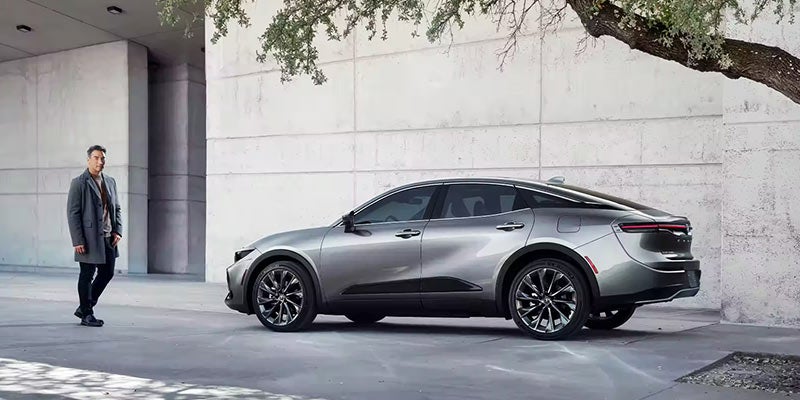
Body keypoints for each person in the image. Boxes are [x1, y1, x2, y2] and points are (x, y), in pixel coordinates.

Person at [66, 145, 122, 327]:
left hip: (108, 237)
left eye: (103, 158)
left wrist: (118, 230)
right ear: (89, 159)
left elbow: (117, 208)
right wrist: (78, 240)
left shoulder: (110, 181)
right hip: (88, 238)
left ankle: (85, 306)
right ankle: (87, 314)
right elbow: (73, 213)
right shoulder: (79, 182)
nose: (100, 161)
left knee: (107, 272)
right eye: (97, 158)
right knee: (87, 274)